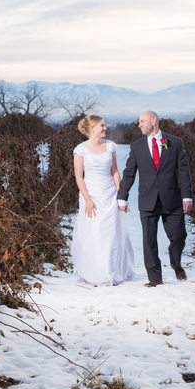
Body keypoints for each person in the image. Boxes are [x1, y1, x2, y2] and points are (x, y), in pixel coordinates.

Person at [117, 110, 192, 287]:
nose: (139, 125)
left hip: (172, 198)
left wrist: (187, 196)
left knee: (179, 236)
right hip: (147, 199)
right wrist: (122, 197)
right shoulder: (136, 147)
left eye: (142, 121)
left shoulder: (175, 142)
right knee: (149, 240)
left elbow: (183, 171)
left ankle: (175, 262)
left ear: (154, 121)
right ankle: (155, 277)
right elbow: (129, 174)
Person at [71, 115, 135, 286]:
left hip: (110, 195)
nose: (105, 128)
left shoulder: (110, 147)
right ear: (92, 129)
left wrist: (121, 196)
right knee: (94, 231)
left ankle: (111, 269)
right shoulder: (80, 150)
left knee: (112, 232)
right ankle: (95, 271)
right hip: (91, 195)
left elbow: (114, 171)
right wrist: (87, 199)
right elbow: (79, 177)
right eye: (102, 126)